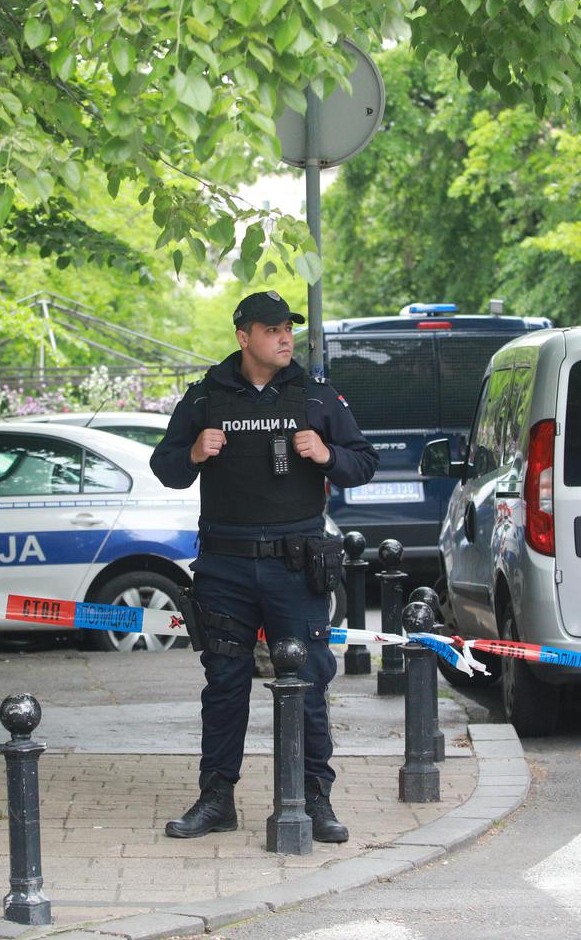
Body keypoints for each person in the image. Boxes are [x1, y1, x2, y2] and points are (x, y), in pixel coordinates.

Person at [150, 290, 377, 842]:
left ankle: (312, 799)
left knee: (306, 682)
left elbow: (364, 463)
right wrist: (194, 454)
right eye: (272, 328)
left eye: (288, 328)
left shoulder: (316, 396)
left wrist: (326, 455)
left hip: (293, 563)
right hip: (224, 564)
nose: (284, 337)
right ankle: (217, 799)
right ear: (243, 335)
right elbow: (165, 466)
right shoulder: (206, 397)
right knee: (224, 684)